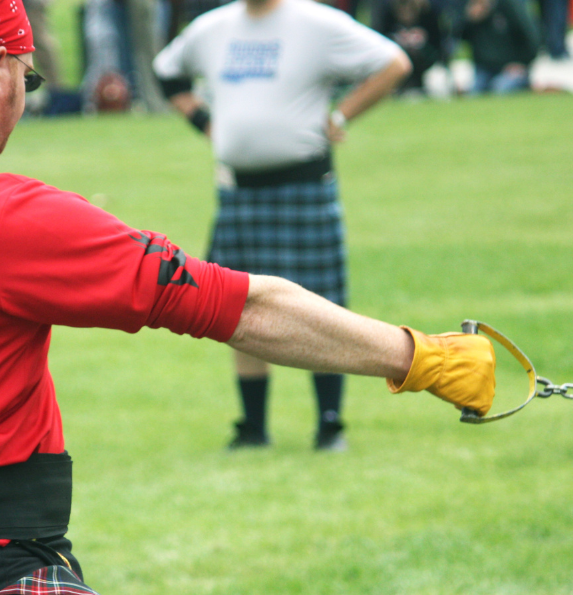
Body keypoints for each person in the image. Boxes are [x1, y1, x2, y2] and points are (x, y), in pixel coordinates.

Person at [0, 0, 495, 595]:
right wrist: (422, 357)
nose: (23, 100)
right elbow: (243, 307)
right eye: (29, 78)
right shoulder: (2, 216)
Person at [153, 0, 412, 452]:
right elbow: (167, 71)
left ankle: (329, 424)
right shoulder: (212, 28)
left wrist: (341, 115)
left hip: (304, 185)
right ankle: (253, 427)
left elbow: (393, 63)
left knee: (324, 307)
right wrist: (204, 121)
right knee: (238, 307)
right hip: (239, 191)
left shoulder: (316, 22)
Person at [461, 0, 541, 94]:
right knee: (474, 93)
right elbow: (461, 37)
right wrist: (470, 19)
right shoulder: (474, 9)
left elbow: (533, 38)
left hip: (510, 68)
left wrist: (522, 63)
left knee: (500, 89)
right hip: (484, 69)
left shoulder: (511, 6)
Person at [374, 0, 444, 94]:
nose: (406, 13)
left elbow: (438, 47)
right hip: (394, 67)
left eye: (409, 9)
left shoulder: (429, 17)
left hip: (425, 67)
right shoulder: (387, 18)